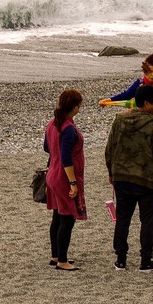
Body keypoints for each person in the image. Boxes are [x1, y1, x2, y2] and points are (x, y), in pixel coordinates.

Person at [104, 84, 153, 272]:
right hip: (147, 180)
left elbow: (109, 148)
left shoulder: (119, 120)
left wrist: (111, 172)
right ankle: (145, 261)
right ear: (146, 103)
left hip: (122, 177)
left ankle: (121, 260)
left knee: (123, 219)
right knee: (147, 221)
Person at [100, 53, 153, 169]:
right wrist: (110, 100)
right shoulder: (140, 84)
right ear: (145, 71)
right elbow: (127, 95)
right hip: (143, 119)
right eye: (150, 72)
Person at [44, 89, 87, 271]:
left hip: (52, 174)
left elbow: (46, 147)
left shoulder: (53, 123)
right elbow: (66, 158)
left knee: (57, 215)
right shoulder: (68, 128)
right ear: (75, 107)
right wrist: (73, 183)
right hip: (63, 177)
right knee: (67, 218)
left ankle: (56, 255)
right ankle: (62, 260)